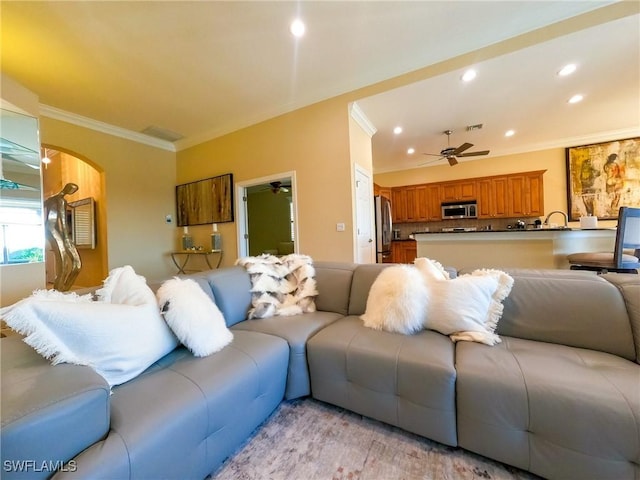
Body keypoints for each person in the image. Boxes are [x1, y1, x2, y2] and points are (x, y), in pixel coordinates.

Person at [44, 183, 81, 291]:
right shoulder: (61, 201)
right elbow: (63, 221)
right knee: (65, 264)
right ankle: (59, 291)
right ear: (68, 189)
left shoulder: (51, 199)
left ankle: (62, 290)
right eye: (72, 190)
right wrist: (66, 237)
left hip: (49, 229)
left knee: (74, 264)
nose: (72, 192)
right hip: (53, 230)